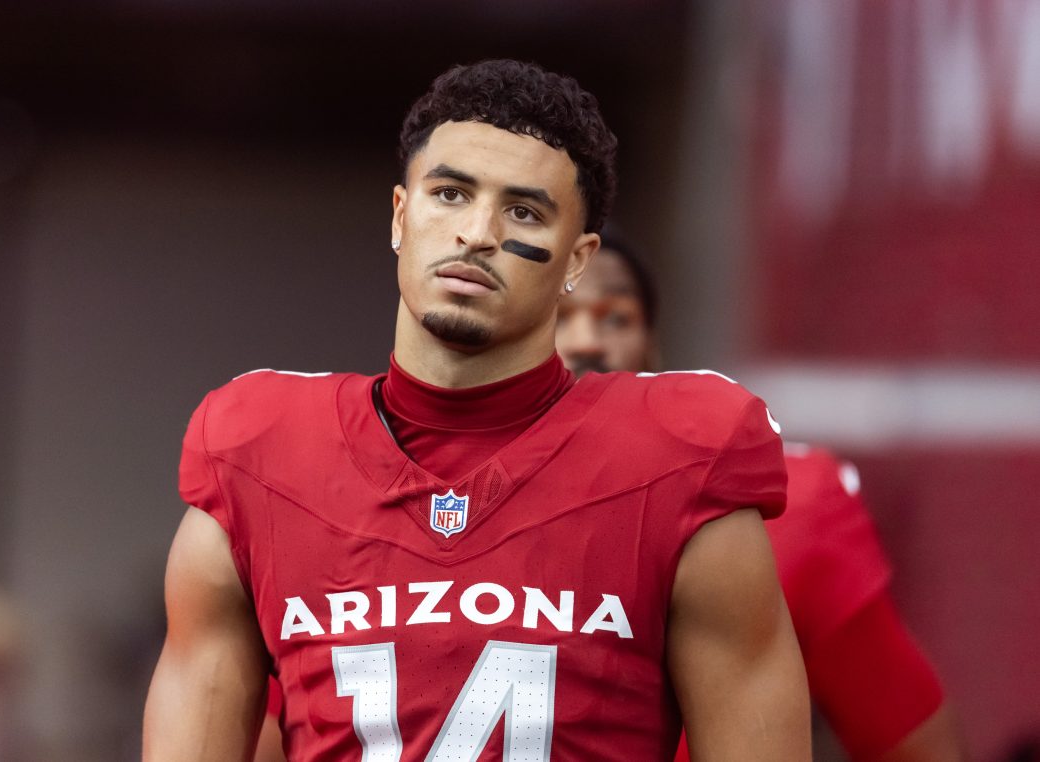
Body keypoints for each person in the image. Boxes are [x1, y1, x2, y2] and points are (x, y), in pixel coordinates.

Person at [143, 59, 810, 761]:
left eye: (523, 211)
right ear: (401, 215)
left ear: (577, 260)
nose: (477, 232)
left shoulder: (676, 462)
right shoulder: (259, 456)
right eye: (451, 194)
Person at [556, 232, 967, 762]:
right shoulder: (449, 490)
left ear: (654, 344)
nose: (587, 340)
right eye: (557, 315)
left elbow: (919, 745)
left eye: (616, 317)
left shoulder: (790, 500)